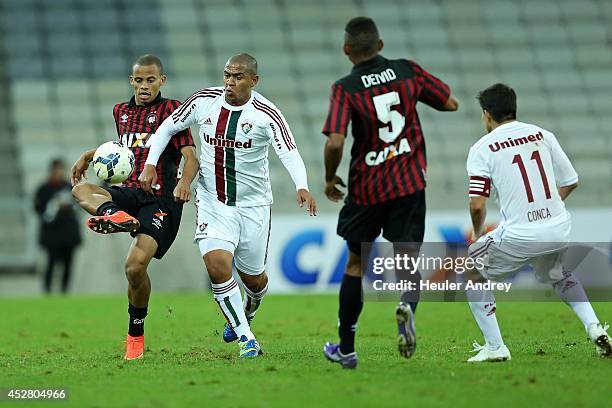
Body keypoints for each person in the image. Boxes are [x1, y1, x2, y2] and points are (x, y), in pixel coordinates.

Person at [139, 53, 317, 358]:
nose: (229, 82)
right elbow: (167, 127)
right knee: (217, 265)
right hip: (212, 202)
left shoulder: (266, 114)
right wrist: (151, 163)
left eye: (237, 77)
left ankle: (251, 305)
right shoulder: (204, 101)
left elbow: (289, 151)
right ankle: (247, 339)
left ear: (253, 81)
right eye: (226, 75)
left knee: (254, 280)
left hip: (253, 206)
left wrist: (302, 185)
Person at [321, 16, 459, 369]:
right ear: (380, 45)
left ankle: (347, 349)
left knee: (355, 263)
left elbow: (336, 140)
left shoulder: (345, 88)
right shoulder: (407, 71)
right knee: (408, 259)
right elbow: (450, 102)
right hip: (409, 184)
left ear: (346, 50)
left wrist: (330, 176)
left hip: (367, 190)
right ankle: (407, 308)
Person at [465, 83, 611, 362]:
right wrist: (546, 208)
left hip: (520, 233)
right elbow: (571, 181)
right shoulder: (542, 134)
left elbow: (477, 204)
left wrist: (478, 234)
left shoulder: (482, 148)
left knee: (472, 270)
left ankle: (495, 347)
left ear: (486, 115)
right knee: (559, 275)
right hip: (557, 227)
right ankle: (594, 328)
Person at [70, 54, 197, 360]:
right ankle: (112, 215)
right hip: (129, 193)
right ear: (131, 81)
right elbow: (126, 149)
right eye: (139, 80)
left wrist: (184, 183)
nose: (144, 86)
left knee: (134, 267)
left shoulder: (172, 110)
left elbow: (191, 156)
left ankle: (135, 335)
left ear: (161, 81)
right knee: (80, 188)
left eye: (150, 80)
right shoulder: (121, 111)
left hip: (161, 200)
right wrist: (90, 154)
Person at [34, 158, 82, 294]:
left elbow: (78, 207)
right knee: (51, 263)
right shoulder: (43, 189)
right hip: (52, 234)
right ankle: (47, 290)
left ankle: (64, 291)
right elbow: (38, 209)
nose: (59, 172)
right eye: (57, 169)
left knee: (68, 264)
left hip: (68, 233)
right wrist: (53, 208)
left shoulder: (70, 187)